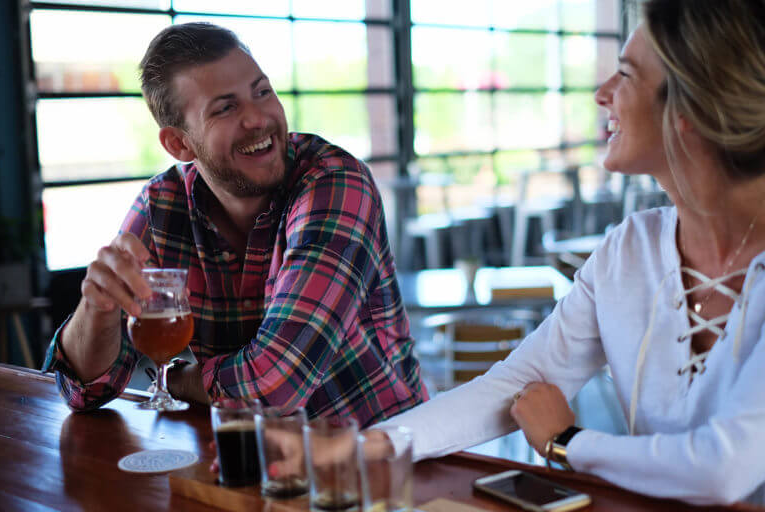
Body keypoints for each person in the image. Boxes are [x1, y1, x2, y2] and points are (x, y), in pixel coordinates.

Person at [378, 0, 765, 505]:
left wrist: (567, 443)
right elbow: (518, 383)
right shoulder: (630, 249)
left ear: (689, 110)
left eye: (625, 76)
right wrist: (372, 444)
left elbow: (723, 469)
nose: (602, 94)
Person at [41, 22, 428, 426]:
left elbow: (275, 386)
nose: (258, 118)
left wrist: (173, 381)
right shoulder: (162, 207)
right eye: (226, 107)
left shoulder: (334, 182)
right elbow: (84, 391)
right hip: (248, 463)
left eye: (262, 92)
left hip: (383, 457)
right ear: (179, 144)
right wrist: (97, 307)